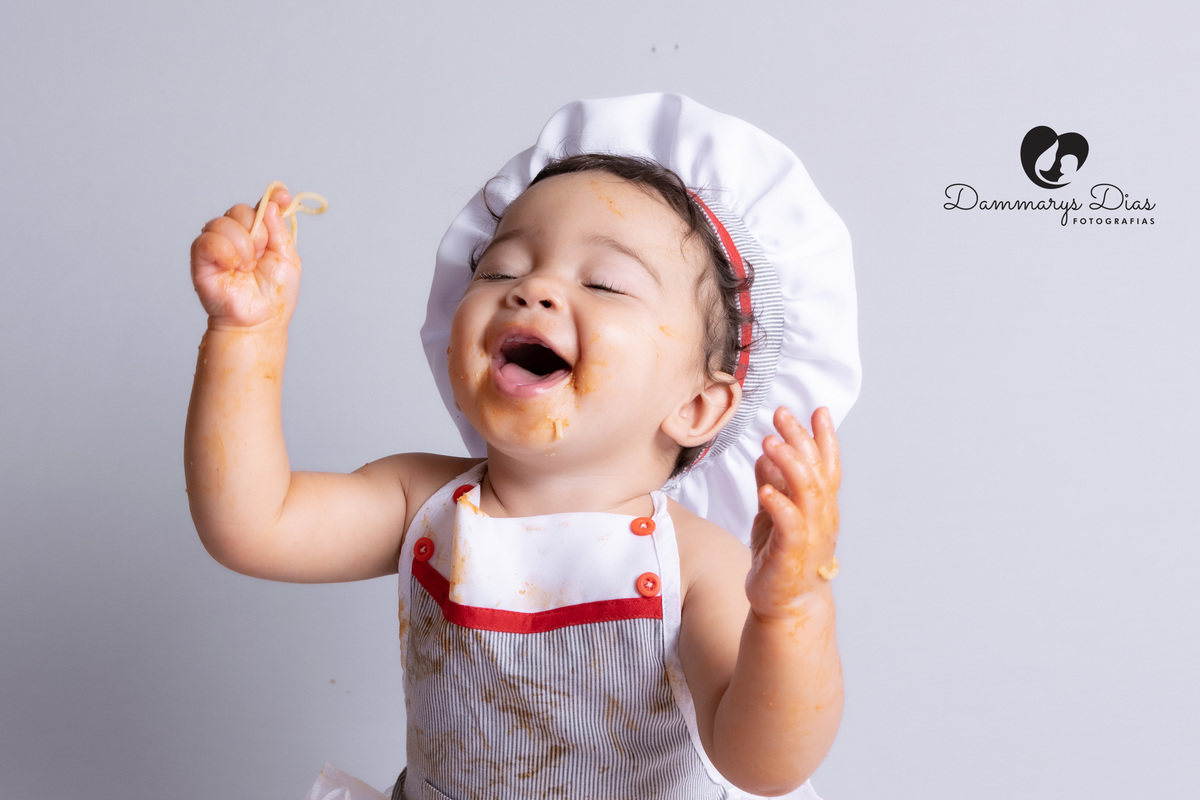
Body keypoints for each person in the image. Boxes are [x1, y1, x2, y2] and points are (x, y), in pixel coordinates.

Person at [186, 94, 860, 800]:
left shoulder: (695, 564)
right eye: (500, 271)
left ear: (697, 406)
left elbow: (762, 764)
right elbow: (250, 525)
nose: (532, 288)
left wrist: (792, 612)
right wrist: (245, 338)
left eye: (604, 282)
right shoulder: (422, 502)